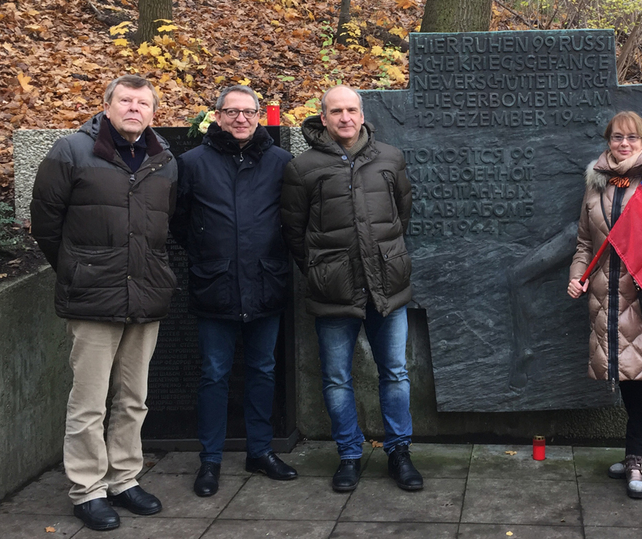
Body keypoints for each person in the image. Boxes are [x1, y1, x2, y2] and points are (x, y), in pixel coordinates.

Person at [30, 75, 177, 531]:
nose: (135, 109)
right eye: (126, 101)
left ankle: (123, 479)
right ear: (107, 105)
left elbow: (164, 225)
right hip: (93, 295)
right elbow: (46, 223)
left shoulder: (164, 159)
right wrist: (79, 269)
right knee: (89, 402)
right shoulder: (71, 151)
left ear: (153, 112)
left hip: (145, 293)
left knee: (133, 398)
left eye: (143, 103)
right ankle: (88, 489)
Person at [280, 85, 422, 493]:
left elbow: (401, 215)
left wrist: (383, 258)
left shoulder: (390, 158)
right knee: (336, 377)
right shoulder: (302, 168)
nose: (345, 117)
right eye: (336, 111)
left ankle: (399, 452)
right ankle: (348, 454)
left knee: (395, 373)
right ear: (322, 117)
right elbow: (294, 232)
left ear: (362, 114)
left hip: (387, 288)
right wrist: (321, 271)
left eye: (351, 110)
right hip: (334, 291)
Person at [170, 85, 297, 498]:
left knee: (263, 370)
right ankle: (210, 459)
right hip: (216, 285)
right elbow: (179, 221)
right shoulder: (192, 163)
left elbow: (292, 218)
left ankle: (260, 451)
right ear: (218, 116)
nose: (241, 119)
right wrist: (209, 255)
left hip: (265, 282)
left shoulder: (281, 162)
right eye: (232, 111)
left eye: (248, 112)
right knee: (214, 374)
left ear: (259, 116)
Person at [567, 111, 642, 500]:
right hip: (606, 297)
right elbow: (585, 243)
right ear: (608, 141)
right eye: (617, 137)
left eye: (632, 137)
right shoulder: (596, 184)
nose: (624, 144)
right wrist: (577, 275)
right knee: (628, 374)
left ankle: (634, 458)